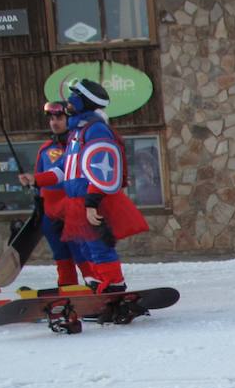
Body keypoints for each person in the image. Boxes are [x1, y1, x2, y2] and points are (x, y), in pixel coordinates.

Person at [21, 80, 147, 292]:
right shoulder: (76, 133)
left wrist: (92, 202)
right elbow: (63, 170)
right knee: (86, 248)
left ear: (85, 101)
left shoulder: (96, 130)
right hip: (75, 202)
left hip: (91, 201)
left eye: (75, 96)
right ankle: (98, 283)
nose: (70, 101)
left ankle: (113, 285)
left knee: (99, 247)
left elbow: (103, 170)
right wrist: (36, 180)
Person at [33, 100, 79, 287]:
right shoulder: (45, 149)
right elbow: (38, 178)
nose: (54, 122)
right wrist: (38, 202)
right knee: (60, 253)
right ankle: (67, 288)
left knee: (81, 251)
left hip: (73, 207)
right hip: (50, 211)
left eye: (59, 118)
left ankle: (96, 287)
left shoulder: (77, 144)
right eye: (51, 118)